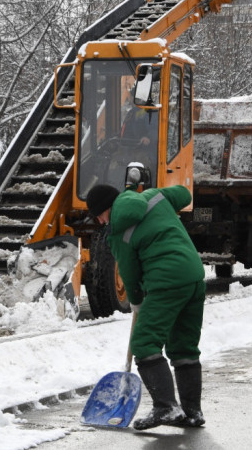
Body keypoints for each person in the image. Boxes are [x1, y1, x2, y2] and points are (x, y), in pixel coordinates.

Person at [86, 183, 206, 430]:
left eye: (99, 215)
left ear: (107, 209)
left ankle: (166, 408)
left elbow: (129, 274)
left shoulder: (118, 231)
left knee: (144, 344)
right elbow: (184, 194)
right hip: (194, 276)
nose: (100, 222)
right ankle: (192, 412)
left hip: (166, 281)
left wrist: (137, 301)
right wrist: (159, 196)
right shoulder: (154, 197)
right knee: (184, 346)